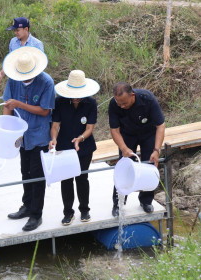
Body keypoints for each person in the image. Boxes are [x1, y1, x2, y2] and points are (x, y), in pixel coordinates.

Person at [3, 46, 55, 231]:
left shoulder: (46, 82)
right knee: (25, 171)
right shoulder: (13, 80)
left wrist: (20, 105)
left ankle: (36, 214)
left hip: (38, 134)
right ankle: (26, 206)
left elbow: (45, 110)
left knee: (37, 175)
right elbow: (7, 105)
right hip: (20, 134)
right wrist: (6, 129)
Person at [49, 70, 99, 226]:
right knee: (66, 179)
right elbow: (55, 125)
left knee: (82, 178)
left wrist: (80, 138)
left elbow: (90, 128)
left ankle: (84, 210)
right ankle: (68, 213)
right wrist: (54, 139)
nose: (76, 97)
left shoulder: (91, 103)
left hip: (84, 146)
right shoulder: (60, 102)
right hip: (64, 145)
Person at [108, 82, 165, 216]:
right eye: (119, 103)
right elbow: (114, 130)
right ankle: (119, 203)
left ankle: (146, 201)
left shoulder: (147, 99)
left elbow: (160, 126)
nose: (122, 106)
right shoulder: (114, 104)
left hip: (148, 134)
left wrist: (156, 150)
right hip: (127, 135)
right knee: (124, 168)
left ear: (132, 95)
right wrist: (123, 148)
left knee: (149, 166)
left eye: (124, 103)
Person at [0, 17, 44, 86]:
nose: (15, 33)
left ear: (26, 29)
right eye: (14, 30)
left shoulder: (36, 44)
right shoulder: (13, 42)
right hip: (16, 79)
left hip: (32, 81)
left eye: (18, 30)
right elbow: (10, 61)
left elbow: (40, 65)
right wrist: (1, 74)